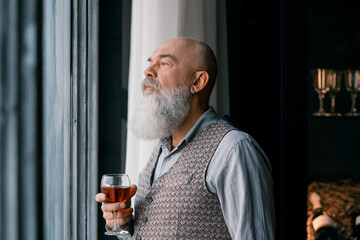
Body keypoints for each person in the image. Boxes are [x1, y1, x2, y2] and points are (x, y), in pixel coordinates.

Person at [95, 37, 275, 239]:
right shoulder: (159, 151)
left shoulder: (234, 150)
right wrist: (125, 225)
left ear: (197, 82)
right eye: (150, 63)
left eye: (164, 63)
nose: (148, 72)